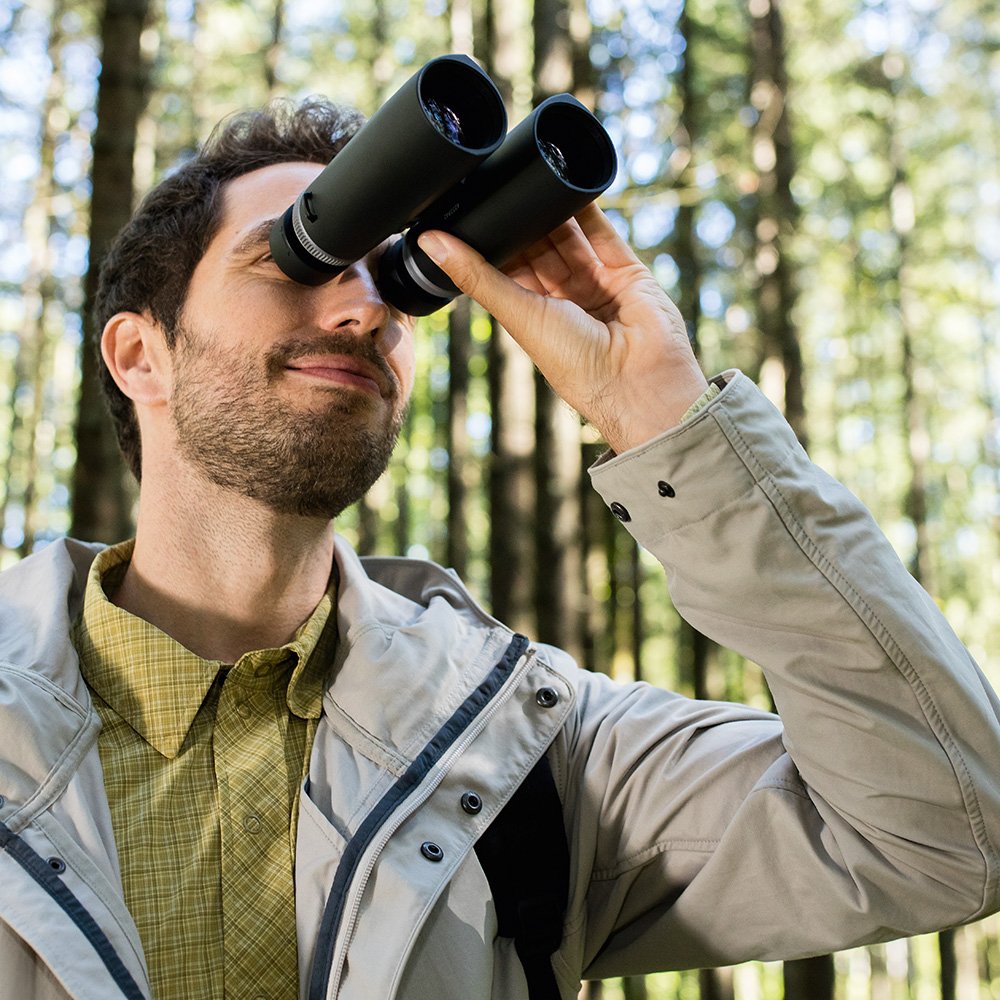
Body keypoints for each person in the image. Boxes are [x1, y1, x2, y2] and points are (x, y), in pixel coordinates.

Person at [0, 96, 998, 1000]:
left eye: (395, 275)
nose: (364, 309)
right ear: (140, 355)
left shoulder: (530, 751)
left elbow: (946, 833)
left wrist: (666, 421)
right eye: (299, 256)